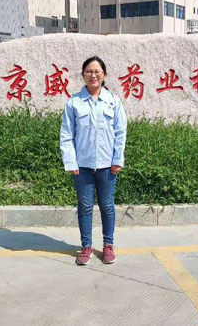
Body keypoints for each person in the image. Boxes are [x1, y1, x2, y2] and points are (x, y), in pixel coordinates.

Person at [60, 56, 127, 265]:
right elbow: (66, 134)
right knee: (85, 206)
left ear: (104, 75)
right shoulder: (74, 102)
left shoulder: (113, 101)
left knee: (107, 205)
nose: (93, 75)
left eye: (97, 71)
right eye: (89, 71)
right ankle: (86, 246)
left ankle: (108, 245)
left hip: (107, 164)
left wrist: (118, 159)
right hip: (83, 166)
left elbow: (120, 132)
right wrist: (71, 162)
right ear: (83, 75)